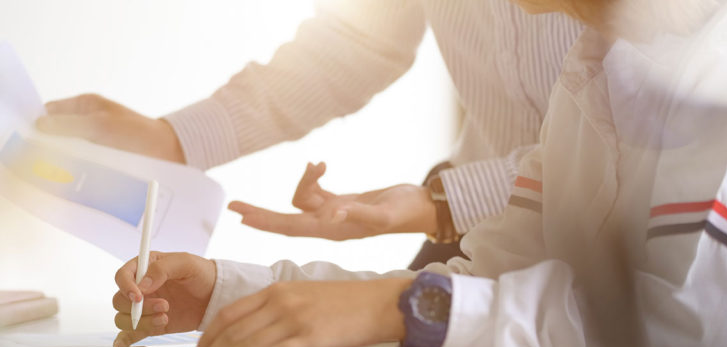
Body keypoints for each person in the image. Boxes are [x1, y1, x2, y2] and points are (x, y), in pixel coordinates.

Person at [113, 0, 727, 347]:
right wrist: (238, 294)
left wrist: (405, 304)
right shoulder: (596, 68)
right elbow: (487, 284)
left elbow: (668, 341)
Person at [37, 0, 582, 268]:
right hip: (469, 229)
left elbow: (633, 140)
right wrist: (176, 139)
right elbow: (359, 41)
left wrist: (442, 203)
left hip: (627, 241)